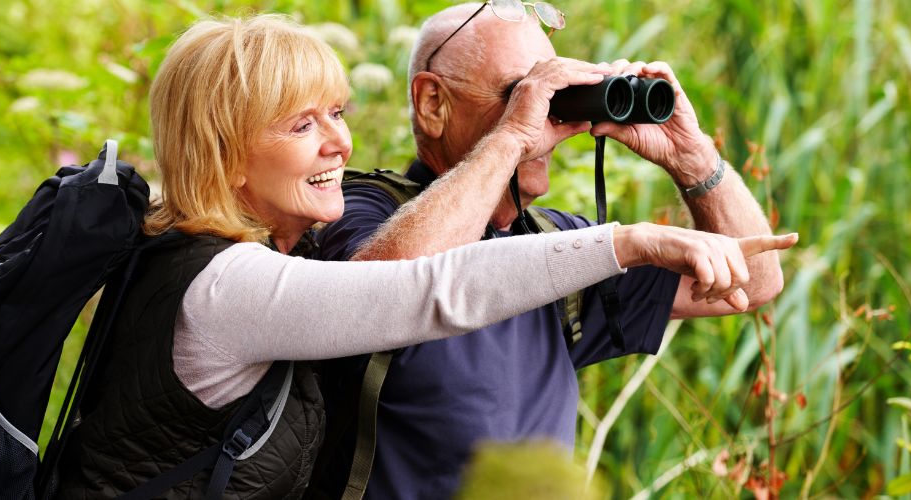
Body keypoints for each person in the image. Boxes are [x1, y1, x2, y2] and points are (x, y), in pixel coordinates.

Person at [47, 14, 730, 499]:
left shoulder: (211, 256)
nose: (339, 144)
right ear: (226, 152)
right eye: (301, 123)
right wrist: (627, 241)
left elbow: (752, 281)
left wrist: (693, 158)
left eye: (337, 113)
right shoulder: (228, 285)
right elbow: (421, 290)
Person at [313, 2, 798, 498]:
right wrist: (513, 137)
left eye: (553, 95)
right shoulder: (357, 212)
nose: (542, 116)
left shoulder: (554, 244)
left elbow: (756, 281)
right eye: (518, 93)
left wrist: (691, 156)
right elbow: (381, 295)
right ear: (433, 103)